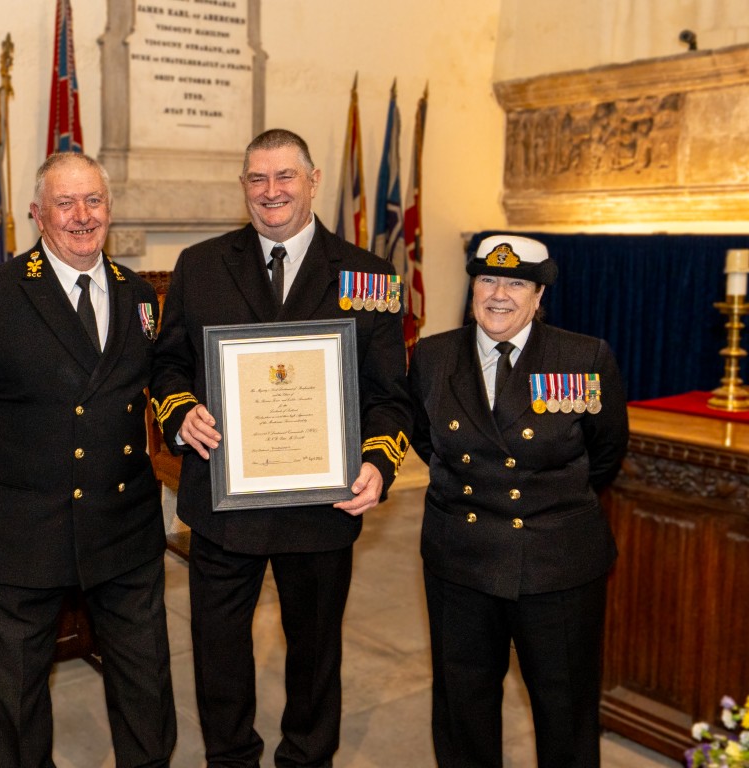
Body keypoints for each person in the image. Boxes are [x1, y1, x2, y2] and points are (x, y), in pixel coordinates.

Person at [149, 128, 412, 767]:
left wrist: (378, 463)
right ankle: (231, 758)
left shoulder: (368, 276)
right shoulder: (201, 265)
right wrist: (181, 411)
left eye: (285, 177)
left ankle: (307, 757)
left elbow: (389, 395)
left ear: (313, 180)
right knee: (217, 650)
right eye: (258, 180)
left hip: (322, 505)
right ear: (243, 188)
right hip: (223, 497)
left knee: (317, 652)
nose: (272, 192)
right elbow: (168, 365)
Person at [0, 152, 176, 767]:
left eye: (92, 201)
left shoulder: (139, 297)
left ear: (109, 209)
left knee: (146, 678)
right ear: (37, 215)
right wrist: (19, 470)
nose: (81, 215)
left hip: (123, 521)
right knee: (17, 695)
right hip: (23, 526)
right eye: (64, 203)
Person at [408, 234, 630, 768]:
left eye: (515, 282)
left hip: (556, 562)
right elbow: (424, 438)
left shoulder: (582, 357)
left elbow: (605, 454)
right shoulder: (435, 356)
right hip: (460, 557)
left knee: (565, 710)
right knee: (464, 710)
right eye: (487, 279)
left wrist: (547, 505)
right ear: (472, 286)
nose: (498, 294)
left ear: (538, 295)